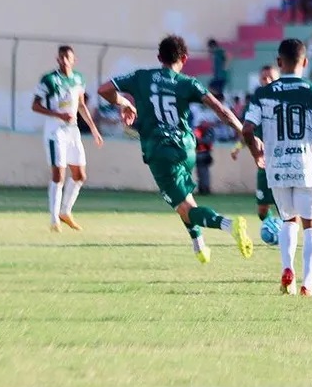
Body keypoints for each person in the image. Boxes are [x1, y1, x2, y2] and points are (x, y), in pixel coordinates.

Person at [97, 35, 256, 264]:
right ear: (184, 58)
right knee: (184, 201)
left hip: (160, 151)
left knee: (185, 207)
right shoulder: (188, 83)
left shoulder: (141, 77)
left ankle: (230, 225)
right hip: (186, 148)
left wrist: (125, 103)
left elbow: (105, 89)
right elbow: (221, 110)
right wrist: (244, 132)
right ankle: (198, 245)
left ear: (159, 57)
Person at [242, 39, 312, 297]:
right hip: (308, 165)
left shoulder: (263, 94)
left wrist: (256, 152)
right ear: (305, 62)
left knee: (288, 220)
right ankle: (308, 283)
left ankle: (288, 270)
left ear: (279, 63)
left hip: (277, 165)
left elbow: (247, 129)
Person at [31, 45, 104, 232]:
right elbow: (35, 106)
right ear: (57, 59)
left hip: (73, 131)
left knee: (80, 175)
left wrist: (93, 128)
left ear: (74, 60)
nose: (64, 60)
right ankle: (54, 220)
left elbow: (81, 105)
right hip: (55, 131)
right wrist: (58, 114)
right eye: (61, 57)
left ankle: (65, 212)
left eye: (67, 57)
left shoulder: (78, 79)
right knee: (59, 175)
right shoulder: (49, 80)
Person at [230, 65, 279, 161]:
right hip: (264, 159)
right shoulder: (253, 105)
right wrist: (238, 147)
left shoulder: (286, 103)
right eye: (264, 78)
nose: (268, 81)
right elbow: (248, 132)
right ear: (260, 80)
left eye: (272, 78)